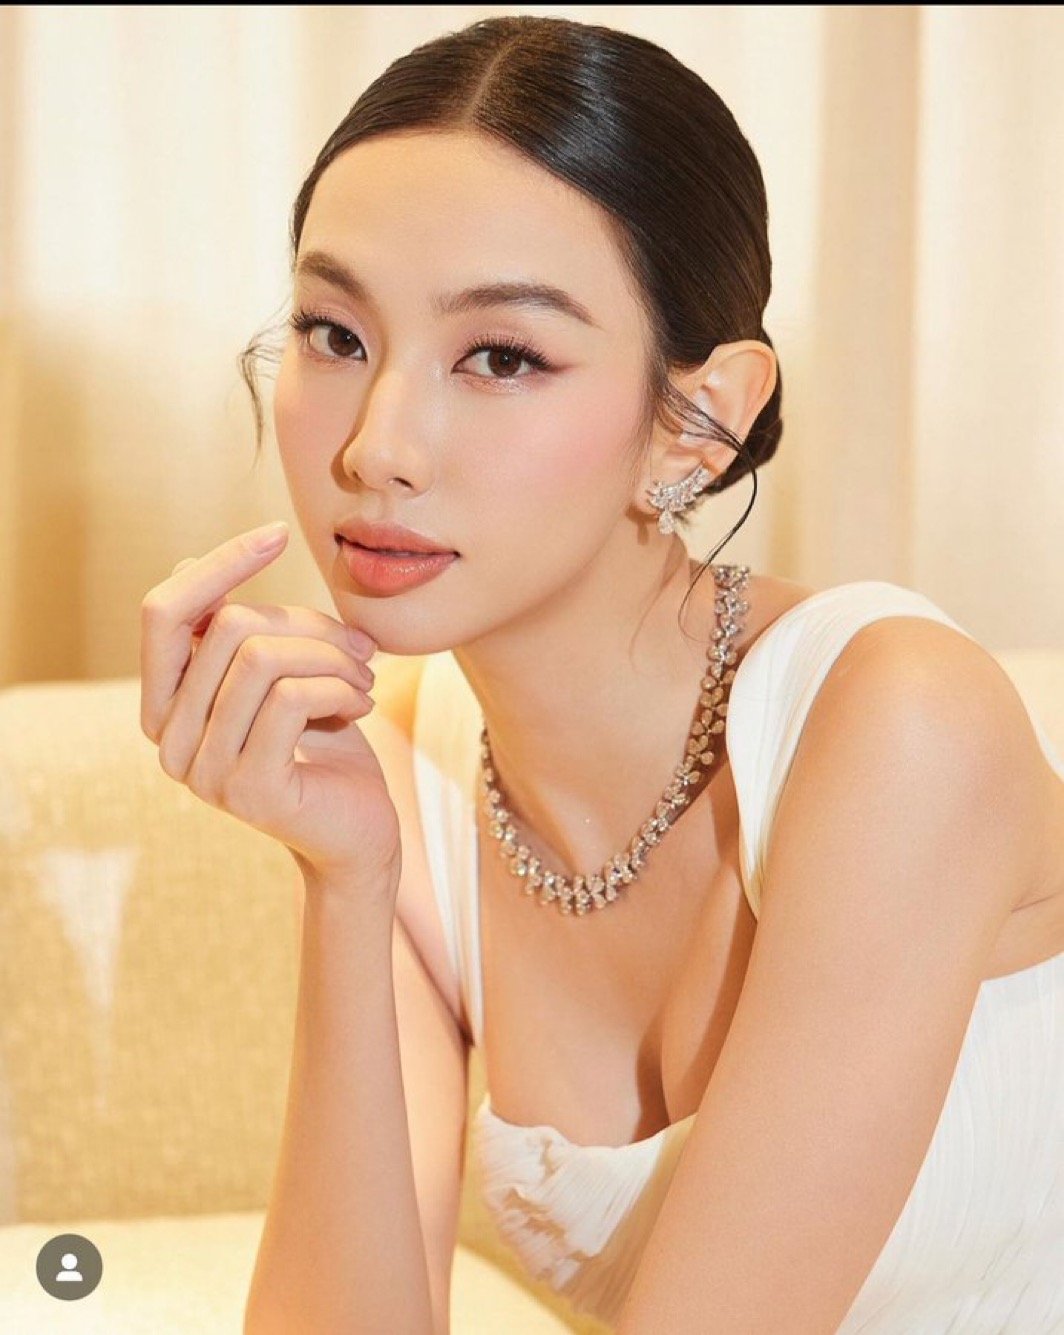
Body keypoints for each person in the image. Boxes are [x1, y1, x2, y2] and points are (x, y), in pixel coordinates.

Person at [139, 15, 1064, 1334]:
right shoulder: (400, 768)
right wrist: (346, 882)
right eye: (336, 334)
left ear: (700, 422)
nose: (377, 449)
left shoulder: (898, 725)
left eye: (503, 356)